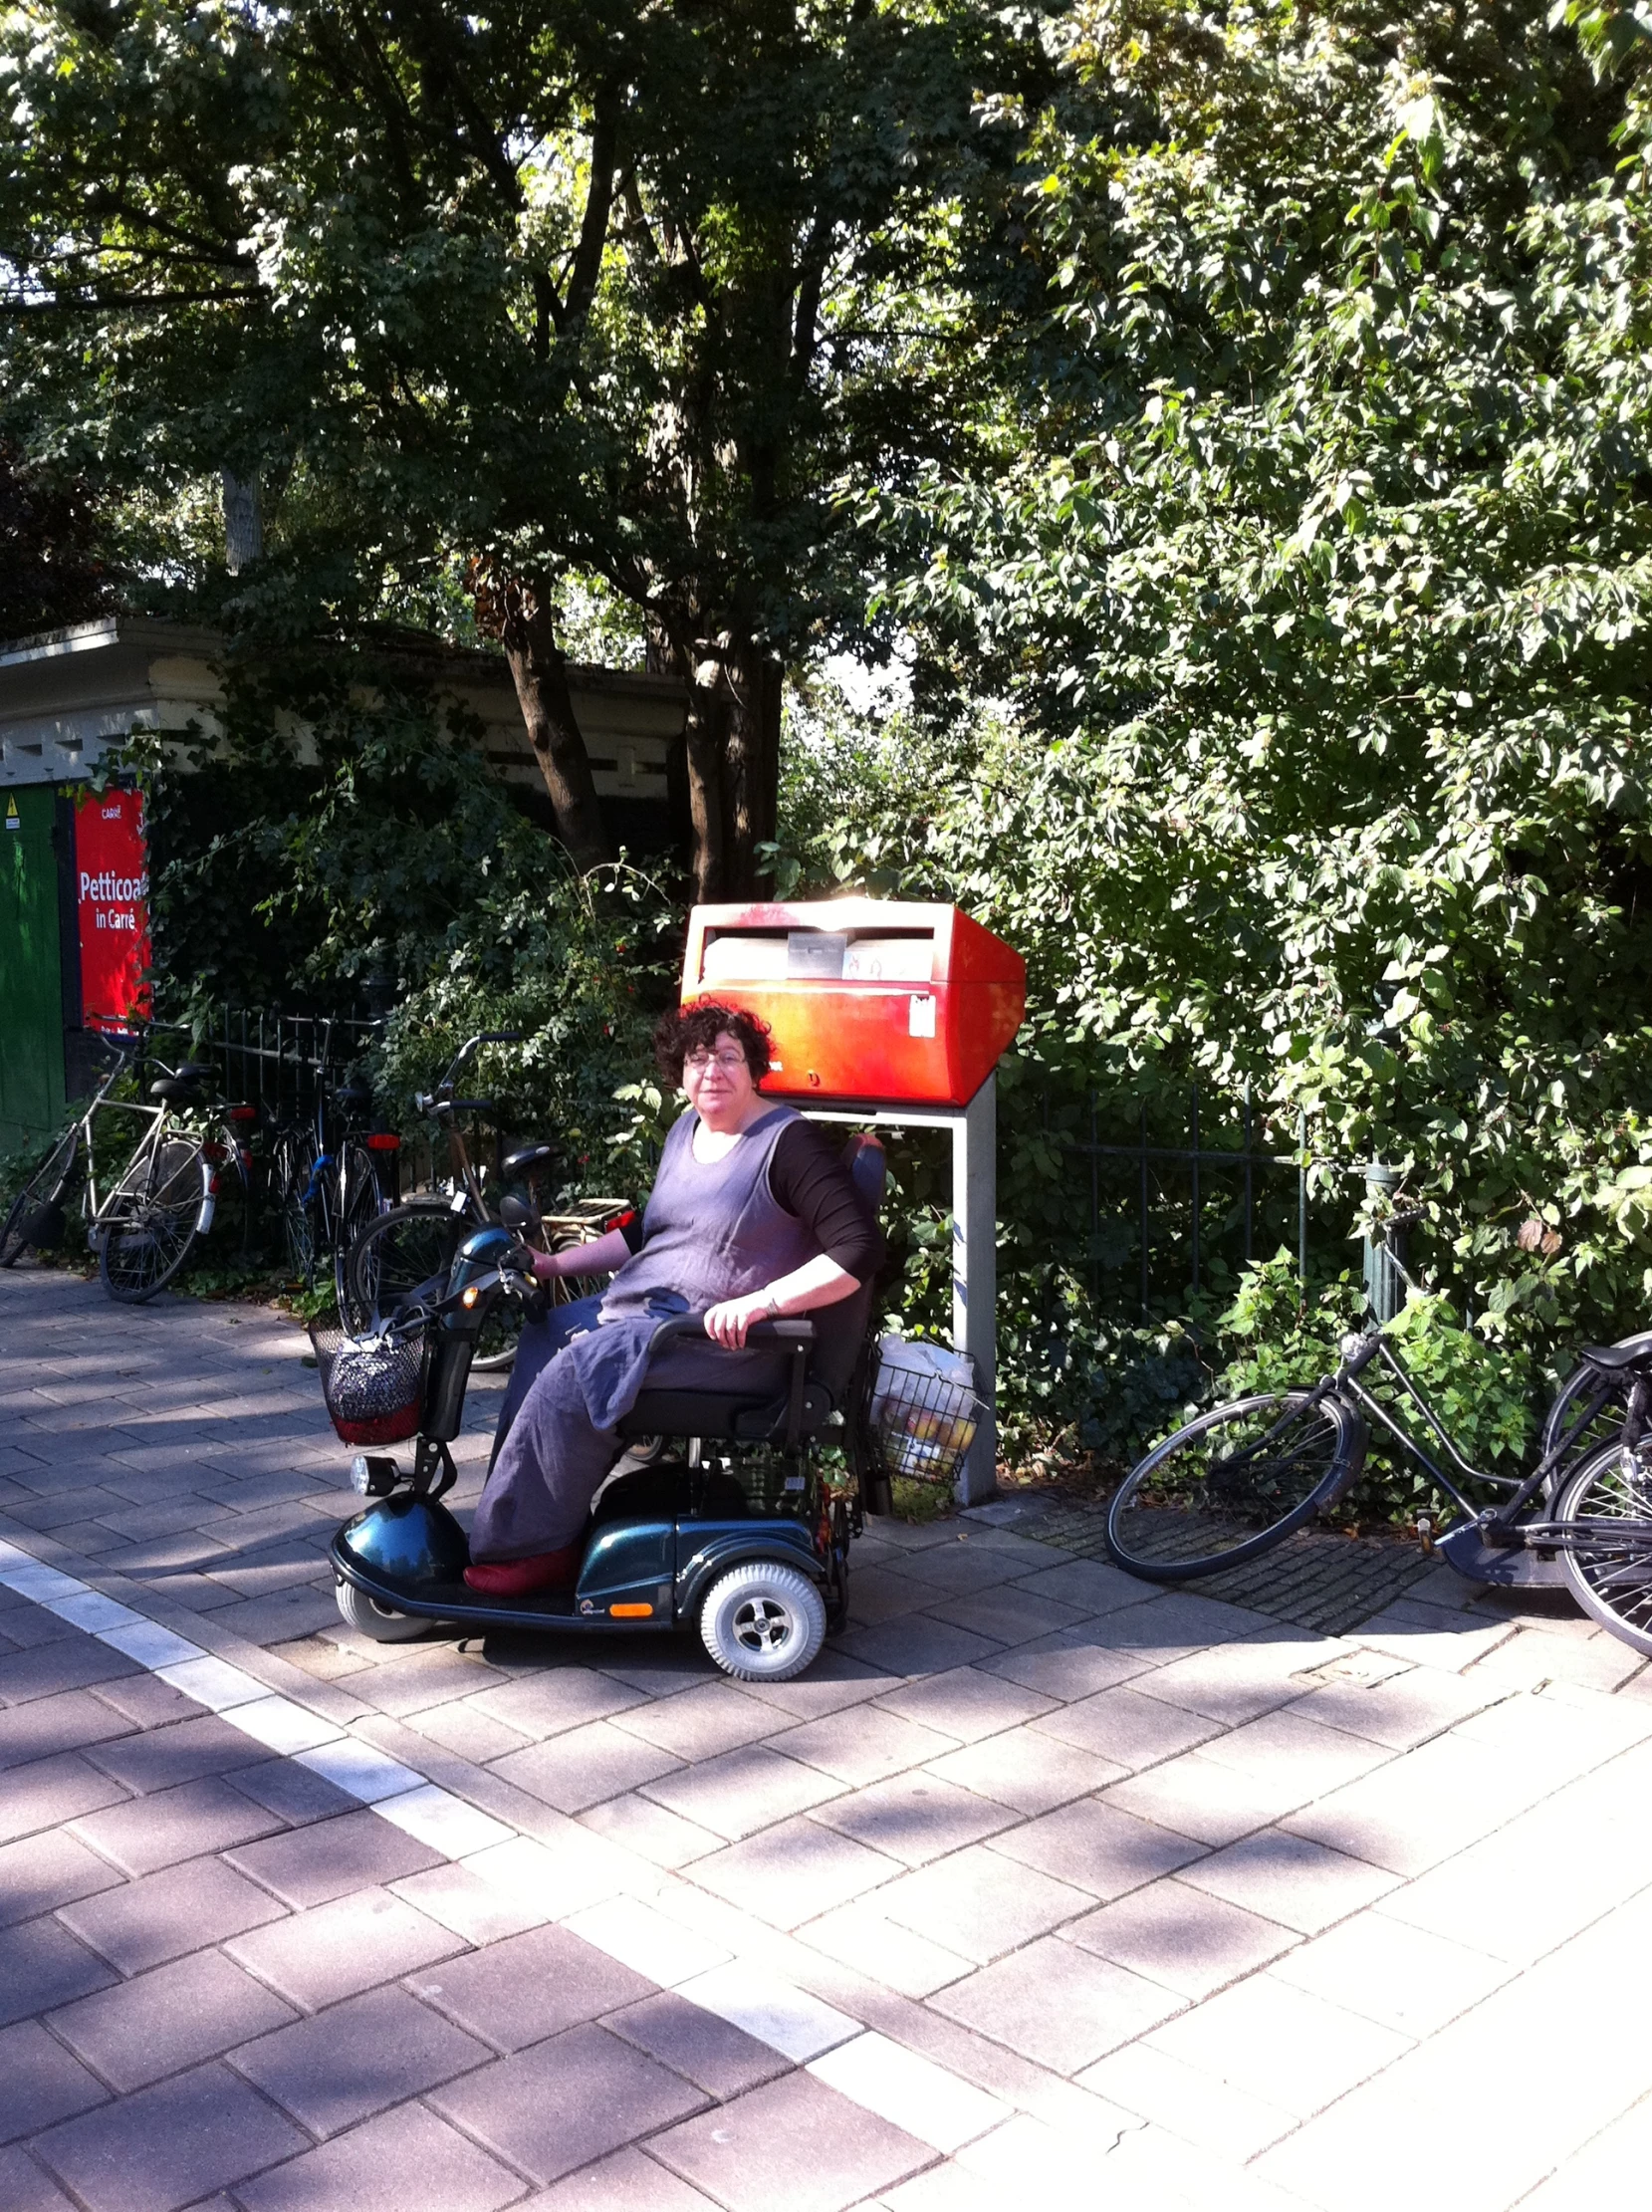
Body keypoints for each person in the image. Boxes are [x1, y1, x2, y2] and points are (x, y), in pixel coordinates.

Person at [464, 999, 879, 1596]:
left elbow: (858, 1250)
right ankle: (531, 1517)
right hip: (649, 1315)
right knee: (542, 1335)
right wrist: (554, 1262)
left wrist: (763, 1304)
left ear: (754, 1067)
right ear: (679, 1071)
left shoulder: (788, 1144)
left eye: (729, 1057)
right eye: (698, 1058)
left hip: (719, 1342)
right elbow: (649, 1232)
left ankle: (525, 1549)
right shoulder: (687, 1129)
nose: (713, 1071)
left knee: (573, 1374)